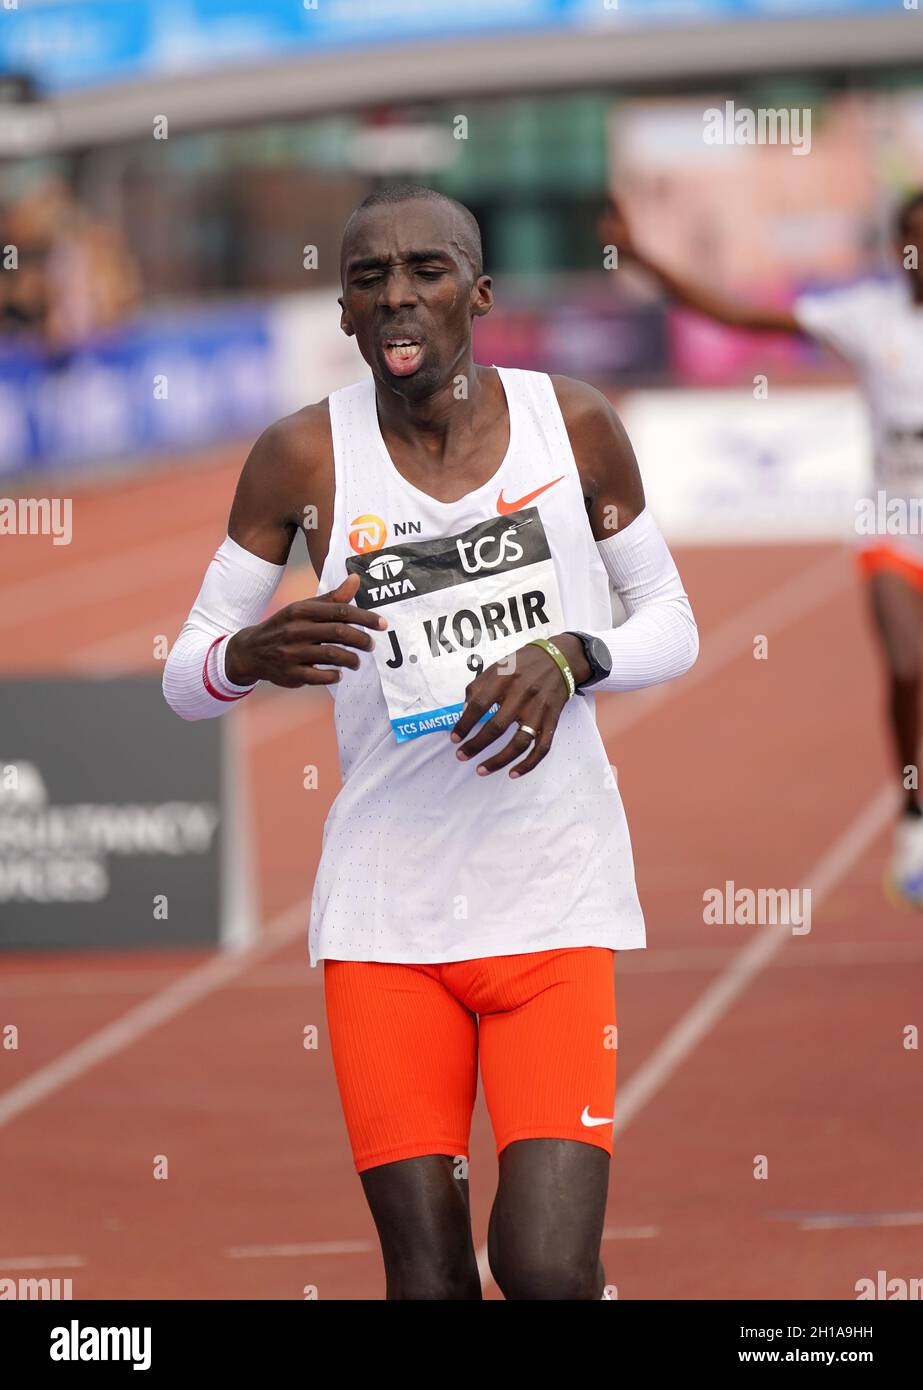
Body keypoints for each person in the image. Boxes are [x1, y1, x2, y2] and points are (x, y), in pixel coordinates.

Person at [164, 183, 698, 1300]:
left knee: (545, 1267)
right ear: (346, 312)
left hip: (551, 896)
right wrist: (244, 659)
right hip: (384, 918)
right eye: (369, 279)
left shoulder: (575, 425)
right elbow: (187, 675)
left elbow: (671, 623)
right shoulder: (301, 459)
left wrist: (570, 657)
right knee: (428, 1277)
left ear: (481, 292)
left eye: (426, 270)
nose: (398, 295)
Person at [599, 191, 923, 906]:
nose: (918, 254)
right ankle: (911, 816)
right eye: (909, 240)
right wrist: (643, 257)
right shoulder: (866, 316)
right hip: (892, 531)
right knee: (906, 664)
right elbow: (735, 315)